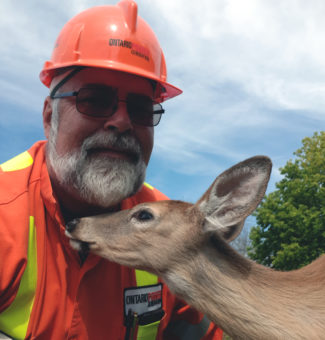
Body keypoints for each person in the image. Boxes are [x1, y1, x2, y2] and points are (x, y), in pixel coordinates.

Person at [0, 1, 224, 339]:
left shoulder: (174, 231)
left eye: (140, 108)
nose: (120, 121)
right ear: (49, 117)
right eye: (94, 99)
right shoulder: (6, 213)